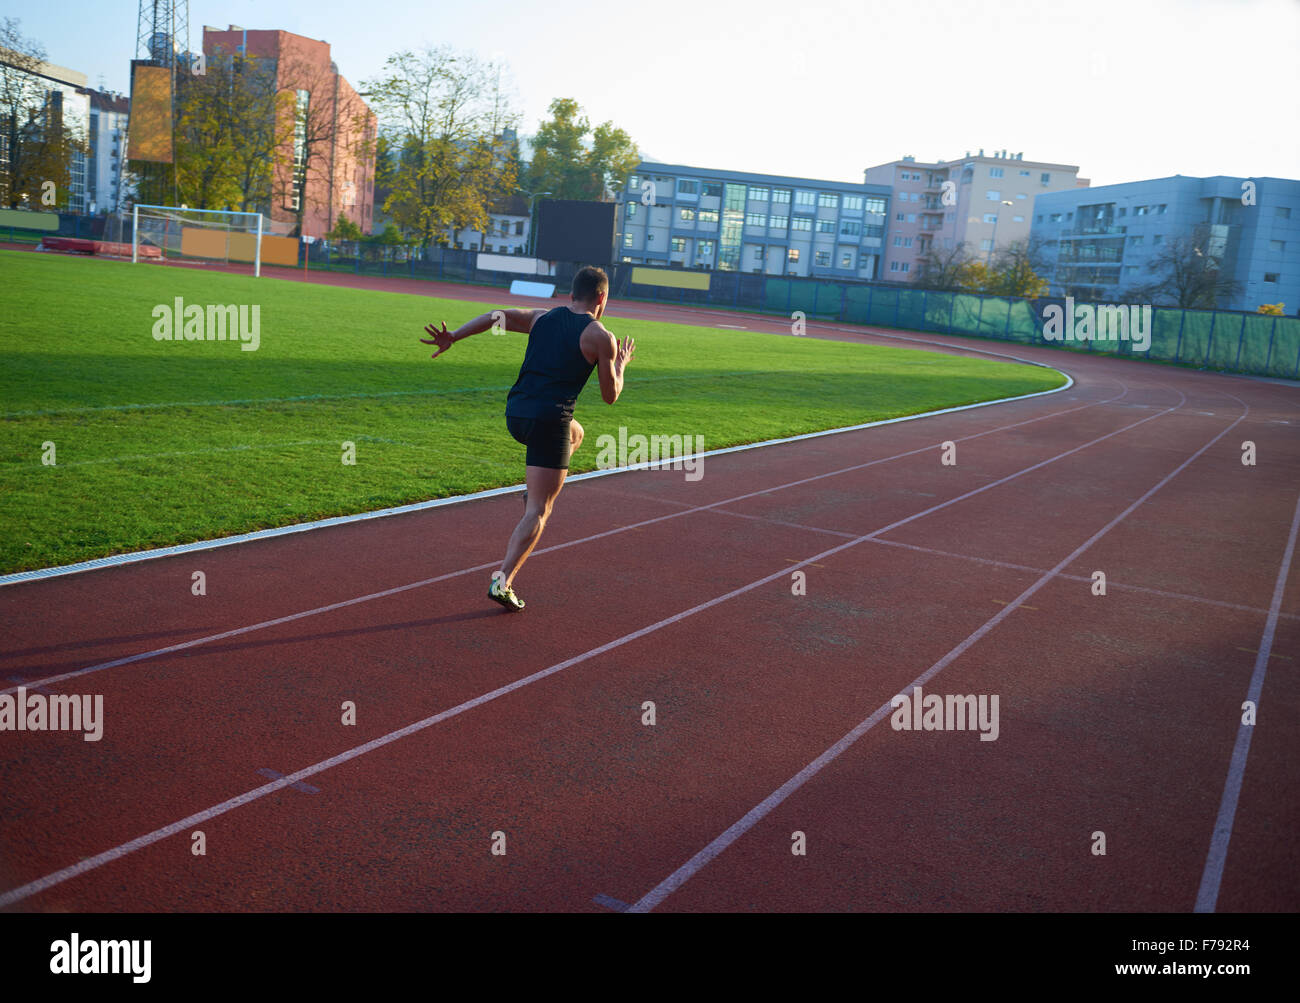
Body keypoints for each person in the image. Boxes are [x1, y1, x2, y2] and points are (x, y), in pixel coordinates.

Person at [421, 266, 635, 611]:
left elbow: (497, 317)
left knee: (577, 432)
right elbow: (611, 396)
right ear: (602, 297)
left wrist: (454, 337)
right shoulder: (601, 337)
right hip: (549, 422)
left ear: (570, 295)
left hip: (516, 415)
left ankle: (532, 492)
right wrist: (621, 365)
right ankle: (503, 580)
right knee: (540, 509)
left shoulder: (541, 318)